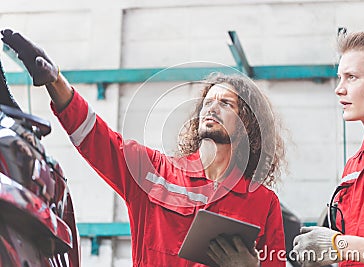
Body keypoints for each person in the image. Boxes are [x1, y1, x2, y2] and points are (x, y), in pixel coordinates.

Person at [1, 29, 287, 266]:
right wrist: (55, 80)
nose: (212, 108)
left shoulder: (263, 204)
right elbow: (94, 136)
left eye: (226, 104)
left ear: (247, 125)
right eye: (208, 102)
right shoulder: (153, 172)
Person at [293, 31, 364, 267]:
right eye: (340, 78)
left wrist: (340, 246)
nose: (339, 89)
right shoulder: (354, 165)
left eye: (351, 77)